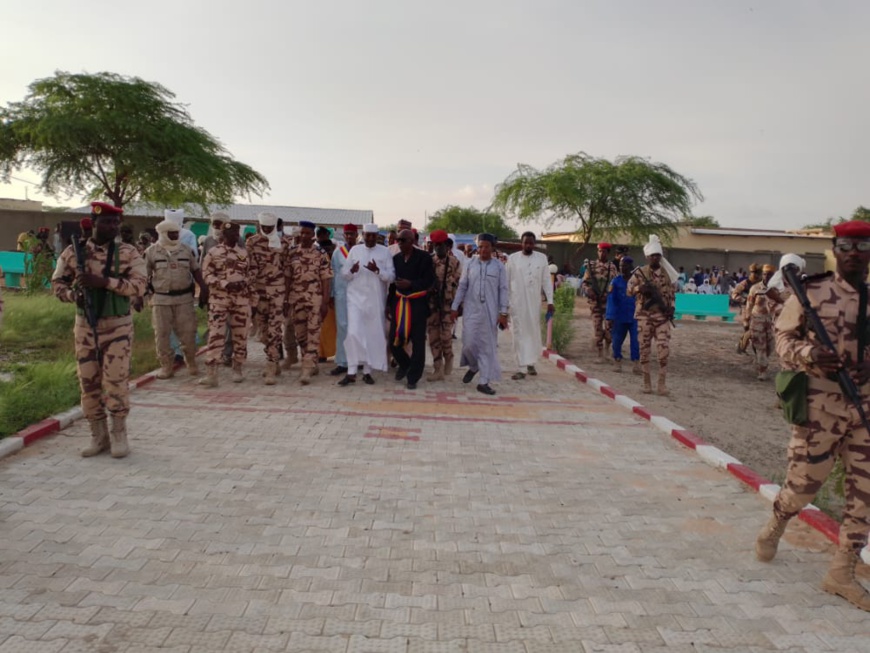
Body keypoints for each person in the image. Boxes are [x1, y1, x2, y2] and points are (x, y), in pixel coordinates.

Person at [756, 222, 870, 612]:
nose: (855, 252)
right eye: (847, 245)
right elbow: (783, 341)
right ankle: (778, 522)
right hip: (821, 410)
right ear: (836, 249)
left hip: (865, 410)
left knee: (865, 497)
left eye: (862, 246)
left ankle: (841, 573)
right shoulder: (811, 292)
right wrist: (810, 355)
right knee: (802, 488)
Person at [51, 201, 147, 458]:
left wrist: (105, 282)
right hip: (85, 326)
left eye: (115, 222)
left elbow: (139, 286)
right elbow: (57, 283)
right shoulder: (74, 252)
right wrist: (73, 295)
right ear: (93, 223)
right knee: (88, 382)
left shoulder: (128, 252)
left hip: (118, 326)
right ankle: (98, 436)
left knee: (115, 381)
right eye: (106, 222)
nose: (112, 226)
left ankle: (118, 435)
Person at [144, 219, 207, 379]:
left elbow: (196, 271)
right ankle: (166, 367)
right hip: (161, 299)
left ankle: (191, 363)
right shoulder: (151, 252)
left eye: (176, 233)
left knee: (188, 333)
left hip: (184, 299)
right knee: (162, 334)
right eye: (171, 233)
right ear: (163, 234)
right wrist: (139, 296)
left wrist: (204, 289)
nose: (174, 236)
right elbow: (143, 276)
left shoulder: (186, 250)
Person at [450, 233, 509, 395]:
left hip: (490, 313)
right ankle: (474, 366)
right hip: (471, 311)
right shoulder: (470, 264)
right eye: (480, 247)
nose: (483, 250)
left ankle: (484, 381)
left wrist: (503, 312)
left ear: (492, 248)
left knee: (487, 347)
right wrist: (455, 307)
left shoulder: (498, 267)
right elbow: (462, 286)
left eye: (486, 247)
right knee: (468, 344)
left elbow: (503, 290)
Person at [338, 224, 395, 386]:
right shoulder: (355, 250)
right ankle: (351, 371)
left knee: (371, 335)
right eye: (367, 235)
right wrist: (352, 271)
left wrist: (378, 271)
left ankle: (367, 372)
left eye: (373, 236)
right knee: (354, 334)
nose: (370, 239)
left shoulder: (385, 252)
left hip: (375, 301)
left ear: (377, 236)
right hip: (355, 299)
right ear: (363, 235)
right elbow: (344, 274)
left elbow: (391, 276)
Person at [199, 221, 250, 386]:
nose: (234, 237)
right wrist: (225, 284)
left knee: (240, 335)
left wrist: (244, 283)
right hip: (219, 300)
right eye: (230, 234)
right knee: (216, 335)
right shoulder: (213, 253)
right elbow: (206, 274)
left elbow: (251, 274)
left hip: (241, 300)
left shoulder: (243, 253)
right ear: (223, 235)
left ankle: (238, 368)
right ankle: (212, 373)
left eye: (236, 234)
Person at [627, 235, 677, 396]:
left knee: (663, 349)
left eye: (658, 255)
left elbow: (672, 294)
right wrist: (639, 289)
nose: (655, 258)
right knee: (644, 349)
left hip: (662, 317)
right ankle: (646, 382)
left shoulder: (667, 274)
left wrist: (672, 309)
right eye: (653, 256)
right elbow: (629, 290)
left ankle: (661, 384)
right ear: (648, 257)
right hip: (644, 316)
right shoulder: (640, 273)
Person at [246, 212, 291, 384]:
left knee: (274, 331)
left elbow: (287, 270)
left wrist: (286, 297)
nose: (266, 230)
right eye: (263, 227)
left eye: (269, 228)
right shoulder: (252, 242)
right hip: (259, 293)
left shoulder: (285, 243)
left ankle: (271, 365)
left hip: (277, 294)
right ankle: (272, 358)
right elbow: (249, 270)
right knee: (263, 333)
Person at [287, 220, 333, 384]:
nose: (304, 236)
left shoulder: (320, 254)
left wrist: (325, 302)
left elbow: (326, 279)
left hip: (314, 300)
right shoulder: (292, 252)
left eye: (307, 233)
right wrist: (286, 300)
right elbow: (288, 277)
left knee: (313, 334)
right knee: (301, 335)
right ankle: (312, 362)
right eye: (302, 233)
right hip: (296, 299)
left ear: (313, 235)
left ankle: (306, 369)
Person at [389, 229, 435, 390]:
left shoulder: (424, 258)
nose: (399, 243)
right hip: (400, 304)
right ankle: (405, 364)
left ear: (412, 241)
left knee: (418, 343)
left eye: (402, 240)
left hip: (418, 304)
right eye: (398, 240)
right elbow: (391, 284)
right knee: (393, 342)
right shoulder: (396, 259)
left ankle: (413, 377)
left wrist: (411, 284)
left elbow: (429, 281)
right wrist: (389, 305)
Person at [507, 231, 554, 380]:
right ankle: (521, 367)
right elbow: (506, 282)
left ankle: (531, 363)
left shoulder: (541, 259)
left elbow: (547, 281)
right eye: (525, 242)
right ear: (521, 243)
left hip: (534, 303)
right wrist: (505, 305)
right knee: (519, 334)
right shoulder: (513, 258)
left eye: (531, 243)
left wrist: (550, 301)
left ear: (534, 244)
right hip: (517, 303)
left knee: (532, 333)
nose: (528, 245)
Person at [426, 230, 462, 381]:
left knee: (446, 336)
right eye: (435, 245)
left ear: (447, 246)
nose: (438, 248)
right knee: (433, 337)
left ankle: (449, 356)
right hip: (432, 305)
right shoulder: (429, 261)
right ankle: (437, 369)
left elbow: (460, 285)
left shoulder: (454, 263)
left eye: (440, 245)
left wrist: (459, 306)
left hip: (448, 305)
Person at [329, 224, 359, 377]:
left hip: (359, 296)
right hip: (341, 294)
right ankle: (342, 362)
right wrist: (331, 294)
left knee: (358, 327)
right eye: (346, 234)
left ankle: (358, 361)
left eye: (352, 234)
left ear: (357, 234)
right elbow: (333, 273)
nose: (349, 236)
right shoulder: (337, 252)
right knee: (342, 327)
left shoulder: (361, 251)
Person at [746, 263, 784, 380]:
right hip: (757, 322)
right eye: (764, 274)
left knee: (770, 347)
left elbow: (784, 304)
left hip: (772, 323)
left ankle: (759, 361)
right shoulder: (755, 289)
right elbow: (749, 305)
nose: (766, 277)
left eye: (769, 275)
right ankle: (762, 371)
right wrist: (746, 321)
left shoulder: (779, 289)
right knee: (761, 347)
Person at [582, 243, 619, 361]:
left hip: (608, 303)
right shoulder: (591, 266)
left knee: (609, 327)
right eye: (600, 251)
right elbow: (584, 283)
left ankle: (608, 349)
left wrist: (610, 295)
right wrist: (589, 291)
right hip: (595, 302)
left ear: (608, 253)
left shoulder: (612, 267)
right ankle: (600, 353)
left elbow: (616, 284)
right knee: (597, 327)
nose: (601, 253)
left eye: (604, 251)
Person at [606, 256, 640, 374]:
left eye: (624, 266)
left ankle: (636, 363)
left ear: (630, 266)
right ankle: (617, 360)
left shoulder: (637, 280)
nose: (622, 268)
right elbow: (611, 299)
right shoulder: (615, 281)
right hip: (619, 316)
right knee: (616, 340)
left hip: (635, 316)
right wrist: (610, 317)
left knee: (636, 340)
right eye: (620, 266)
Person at [732, 263, 762, 354]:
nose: (755, 274)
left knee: (754, 331)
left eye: (757, 272)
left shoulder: (761, 283)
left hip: (757, 310)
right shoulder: (745, 283)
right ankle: (742, 347)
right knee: (748, 330)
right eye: (754, 272)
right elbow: (734, 294)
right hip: (746, 310)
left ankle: (743, 347)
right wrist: (744, 300)